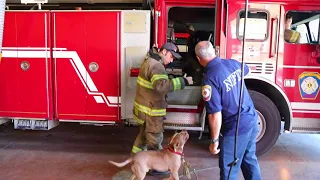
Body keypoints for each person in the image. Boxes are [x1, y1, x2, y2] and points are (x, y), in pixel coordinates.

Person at [195, 41, 262, 180]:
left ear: (198, 58)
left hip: (236, 128)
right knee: (249, 160)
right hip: (252, 119)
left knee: (229, 169)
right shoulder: (232, 63)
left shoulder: (209, 79)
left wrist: (214, 141)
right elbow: (248, 69)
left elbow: (214, 114)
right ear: (214, 52)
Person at [131, 42, 193, 175]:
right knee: (155, 140)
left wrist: (170, 78)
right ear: (164, 52)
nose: (172, 60)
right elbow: (161, 86)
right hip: (151, 112)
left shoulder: (150, 61)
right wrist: (183, 81)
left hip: (144, 111)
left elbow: (157, 81)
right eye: (171, 56)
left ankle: (135, 161)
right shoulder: (156, 66)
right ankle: (157, 169)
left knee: (142, 137)